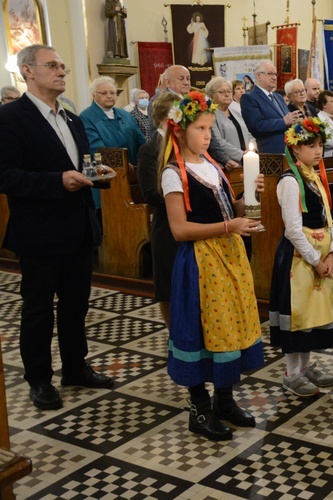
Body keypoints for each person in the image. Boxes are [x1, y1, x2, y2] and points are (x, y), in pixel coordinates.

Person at [0, 44, 114, 410]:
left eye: (63, 66)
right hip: (39, 230)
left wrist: (98, 176)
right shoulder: (11, 118)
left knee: (76, 305)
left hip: (78, 226)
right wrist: (56, 181)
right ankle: (39, 379)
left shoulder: (71, 118)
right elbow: (6, 177)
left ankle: (75, 367)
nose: (62, 71)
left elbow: (83, 165)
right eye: (53, 66)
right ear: (27, 71)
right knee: (37, 309)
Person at [160, 91, 264, 441]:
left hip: (229, 257)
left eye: (209, 128)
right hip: (201, 263)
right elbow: (179, 230)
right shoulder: (174, 173)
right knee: (201, 332)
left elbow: (226, 210)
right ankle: (199, 409)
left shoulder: (213, 166)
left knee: (229, 328)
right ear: (179, 131)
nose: (207, 135)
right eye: (201, 128)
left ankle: (225, 400)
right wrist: (228, 227)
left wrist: (246, 196)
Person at [269, 118, 333, 397]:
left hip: (320, 256)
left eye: (320, 145)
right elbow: (293, 230)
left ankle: (305, 366)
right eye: (311, 145)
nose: (318, 151)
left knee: (311, 315)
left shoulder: (314, 176)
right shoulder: (290, 182)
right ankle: (291, 372)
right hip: (299, 258)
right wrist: (315, 259)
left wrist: (332, 253)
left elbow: (328, 218)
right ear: (295, 149)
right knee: (296, 315)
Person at [137, 92, 181, 327]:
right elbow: (150, 193)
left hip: (189, 222)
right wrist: (181, 196)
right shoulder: (149, 149)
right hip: (166, 225)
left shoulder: (185, 145)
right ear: (165, 118)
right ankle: (174, 334)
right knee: (169, 285)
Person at [80, 76, 145, 173]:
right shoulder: (86, 117)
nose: (109, 96)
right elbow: (96, 149)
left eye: (112, 93)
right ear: (94, 95)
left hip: (135, 172)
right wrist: (121, 163)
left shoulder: (126, 115)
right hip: (108, 175)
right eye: (104, 93)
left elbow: (141, 142)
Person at [241, 60, 303, 154]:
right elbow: (256, 126)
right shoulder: (249, 98)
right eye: (270, 74)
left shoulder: (278, 97)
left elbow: (287, 119)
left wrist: (294, 121)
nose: (274, 77)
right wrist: (283, 122)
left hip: (290, 150)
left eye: (275, 74)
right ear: (258, 76)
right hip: (270, 152)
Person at [205, 76, 255, 166]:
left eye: (229, 91)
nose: (227, 94)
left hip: (248, 160)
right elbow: (219, 142)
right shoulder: (210, 115)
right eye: (222, 92)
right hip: (228, 164)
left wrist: (252, 149)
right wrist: (242, 154)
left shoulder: (236, 112)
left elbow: (248, 134)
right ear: (211, 95)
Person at [316, 90, 333, 158]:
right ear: (324, 104)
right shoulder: (320, 118)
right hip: (328, 155)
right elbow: (325, 140)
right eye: (332, 101)